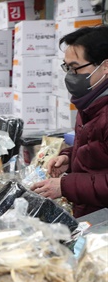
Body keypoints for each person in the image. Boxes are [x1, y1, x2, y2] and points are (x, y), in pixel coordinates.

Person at [32, 25, 108, 217]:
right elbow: (97, 150)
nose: (70, 76)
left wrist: (65, 186)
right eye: (67, 67)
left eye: (75, 68)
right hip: (93, 216)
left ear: (105, 67)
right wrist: (69, 158)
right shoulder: (92, 103)